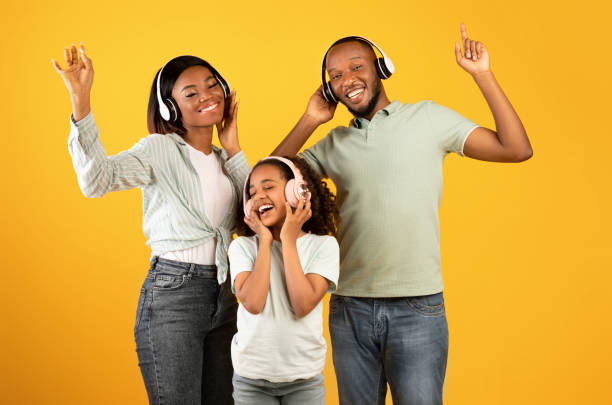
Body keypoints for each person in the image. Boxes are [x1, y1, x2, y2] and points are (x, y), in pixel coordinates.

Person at [272, 25, 533, 405]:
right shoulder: (334, 144)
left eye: (357, 67)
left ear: (381, 68)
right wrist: (311, 119)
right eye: (335, 76)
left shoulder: (428, 118)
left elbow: (516, 148)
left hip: (418, 307)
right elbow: (270, 184)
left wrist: (482, 75)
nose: (348, 80)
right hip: (350, 308)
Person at [52, 43, 250, 404]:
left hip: (225, 294)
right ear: (170, 107)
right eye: (191, 92)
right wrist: (81, 102)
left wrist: (234, 147)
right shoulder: (158, 149)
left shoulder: (224, 160)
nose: (207, 96)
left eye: (211, 85)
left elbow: (254, 216)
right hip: (173, 295)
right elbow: (97, 180)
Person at [227, 156, 340, 405]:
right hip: (251, 380)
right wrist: (265, 242)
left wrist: (288, 241)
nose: (258, 196)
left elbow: (302, 304)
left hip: (304, 380)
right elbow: (253, 303)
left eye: (268, 187)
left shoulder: (323, 246)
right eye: (252, 192)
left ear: (295, 192)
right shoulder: (242, 247)